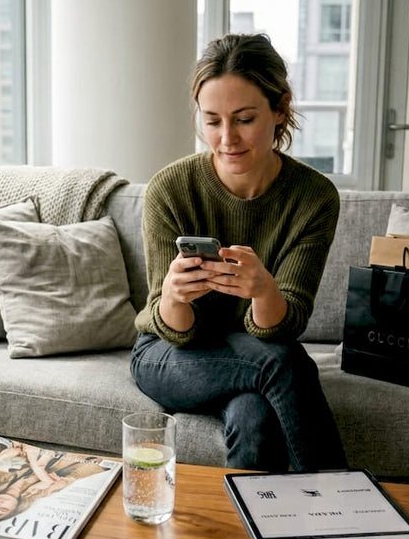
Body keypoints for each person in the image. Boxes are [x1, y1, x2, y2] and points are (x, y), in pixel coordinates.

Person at [130, 33, 348, 473]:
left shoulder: (314, 197)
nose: (226, 138)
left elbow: (287, 323)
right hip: (168, 353)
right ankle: (340, 498)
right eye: (212, 121)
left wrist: (264, 292)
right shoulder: (170, 189)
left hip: (257, 352)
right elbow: (172, 329)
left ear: (280, 108)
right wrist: (174, 296)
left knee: (254, 418)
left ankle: (245, 519)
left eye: (245, 119)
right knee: (283, 363)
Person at [0, 441, 109, 521]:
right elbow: (55, 481)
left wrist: (14, 458)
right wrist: (36, 465)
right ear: (14, 509)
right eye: (3, 508)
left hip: (39, 447)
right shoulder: (39, 493)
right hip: (70, 455)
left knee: (5, 458)